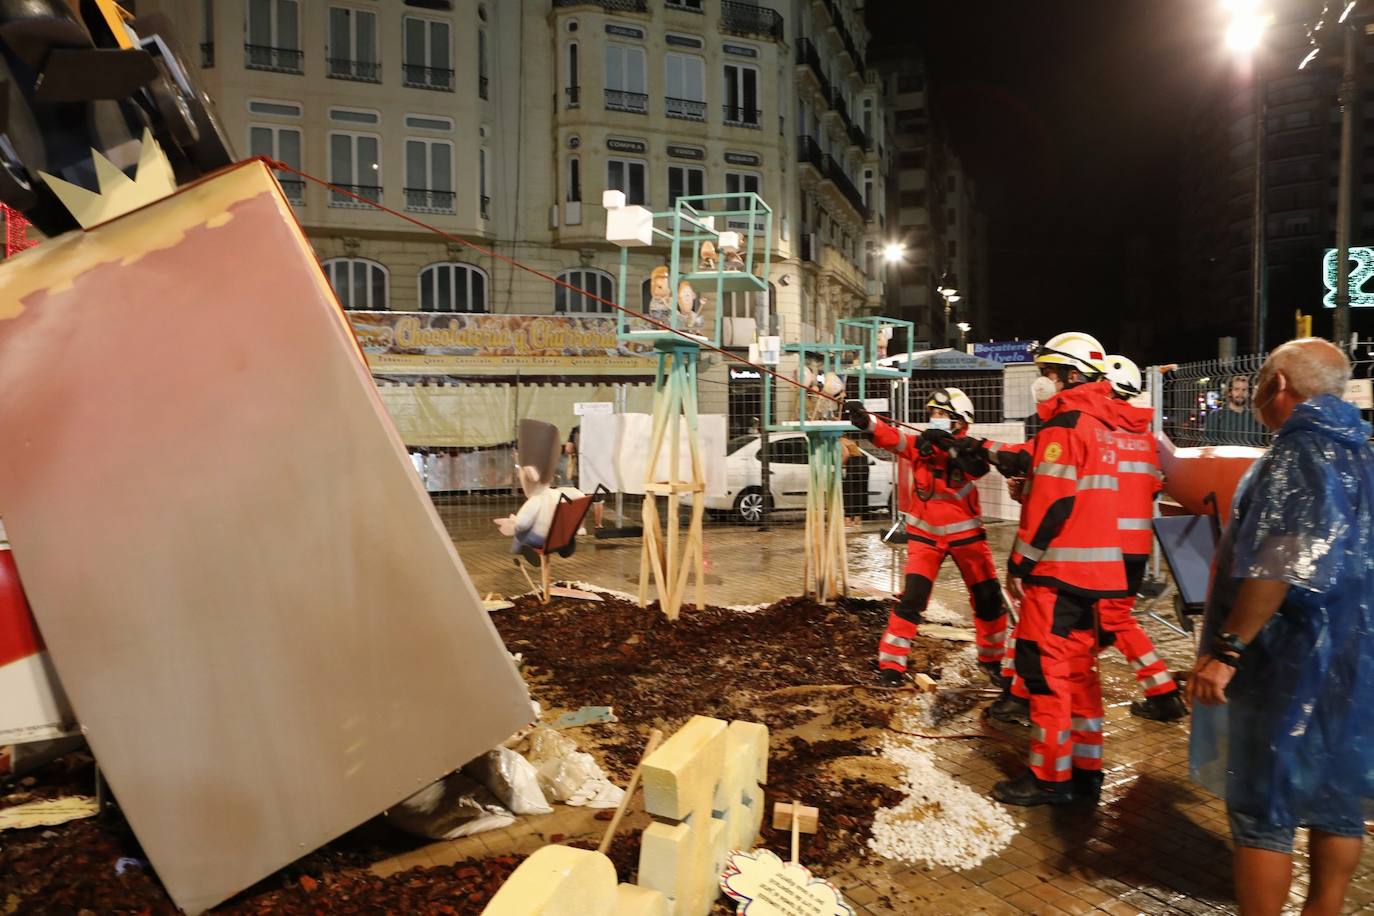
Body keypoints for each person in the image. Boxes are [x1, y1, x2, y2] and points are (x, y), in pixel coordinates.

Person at [1189, 338, 1374, 916]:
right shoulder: (1364, 454)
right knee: (1337, 798)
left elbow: (1280, 561)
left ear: (1279, 386)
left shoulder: (1296, 455)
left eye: (1264, 378)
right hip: (1354, 663)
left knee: (1262, 811)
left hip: (1284, 660)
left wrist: (1228, 648)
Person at [945, 331, 1132, 806]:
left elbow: (1052, 501)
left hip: (1057, 573)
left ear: (1070, 375)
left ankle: (1049, 779)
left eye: (1048, 372)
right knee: (1080, 674)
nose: (1042, 381)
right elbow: (1036, 460)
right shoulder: (1098, 422)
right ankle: (1087, 770)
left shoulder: (1067, 424)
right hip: (1094, 577)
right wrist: (984, 449)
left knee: (1045, 675)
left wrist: (1020, 562)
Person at [845, 388, 1009, 689]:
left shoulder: (970, 448)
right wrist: (866, 421)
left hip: (967, 538)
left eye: (943, 415)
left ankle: (993, 660)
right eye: (932, 414)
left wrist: (950, 447)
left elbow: (977, 468)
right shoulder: (921, 444)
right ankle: (891, 665)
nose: (935, 419)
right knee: (911, 601)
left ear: (960, 421)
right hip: (926, 539)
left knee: (988, 599)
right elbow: (893, 438)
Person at [1098, 355, 1187, 721]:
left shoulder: (1097, 432)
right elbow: (1153, 487)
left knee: (1113, 621)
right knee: (1109, 621)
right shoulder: (1149, 440)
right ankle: (1161, 691)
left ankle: (1163, 691)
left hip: (1100, 549)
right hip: (1135, 549)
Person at [1204, 374, 1266, 444]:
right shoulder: (1216, 416)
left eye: (1244, 390)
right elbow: (1209, 444)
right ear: (1230, 392)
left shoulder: (1255, 417)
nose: (1240, 393)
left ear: (1249, 393)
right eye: (1236, 389)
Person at [839, 436, 868, 525]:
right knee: (858, 493)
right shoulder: (850, 441)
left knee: (847, 492)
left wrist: (840, 465)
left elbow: (846, 454)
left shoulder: (840, 441)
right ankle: (857, 519)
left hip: (853, 466)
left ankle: (847, 519)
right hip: (863, 465)